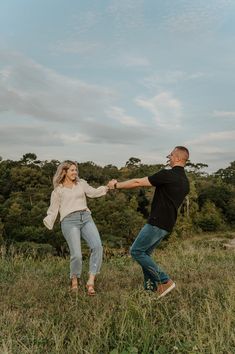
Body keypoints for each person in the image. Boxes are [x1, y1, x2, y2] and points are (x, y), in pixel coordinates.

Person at [108, 146, 190, 298]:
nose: (169, 157)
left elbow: (138, 182)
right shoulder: (185, 181)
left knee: (136, 251)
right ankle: (151, 288)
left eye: (171, 155)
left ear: (178, 158)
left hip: (157, 221)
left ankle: (165, 281)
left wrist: (116, 185)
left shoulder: (168, 175)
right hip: (167, 224)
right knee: (145, 254)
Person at [43, 160, 116, 295]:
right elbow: (53, 209)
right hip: (69, 221)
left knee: (97, 246)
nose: (75, 172)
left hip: (86, 218)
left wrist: (106, 187)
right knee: (76, 254)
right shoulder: (58, 190)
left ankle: (91, 281)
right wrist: (49, 221)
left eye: (76, 170)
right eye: (72, 170)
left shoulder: (81, 184)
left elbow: (93, 193)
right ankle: (74, 279)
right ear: (64, 172)